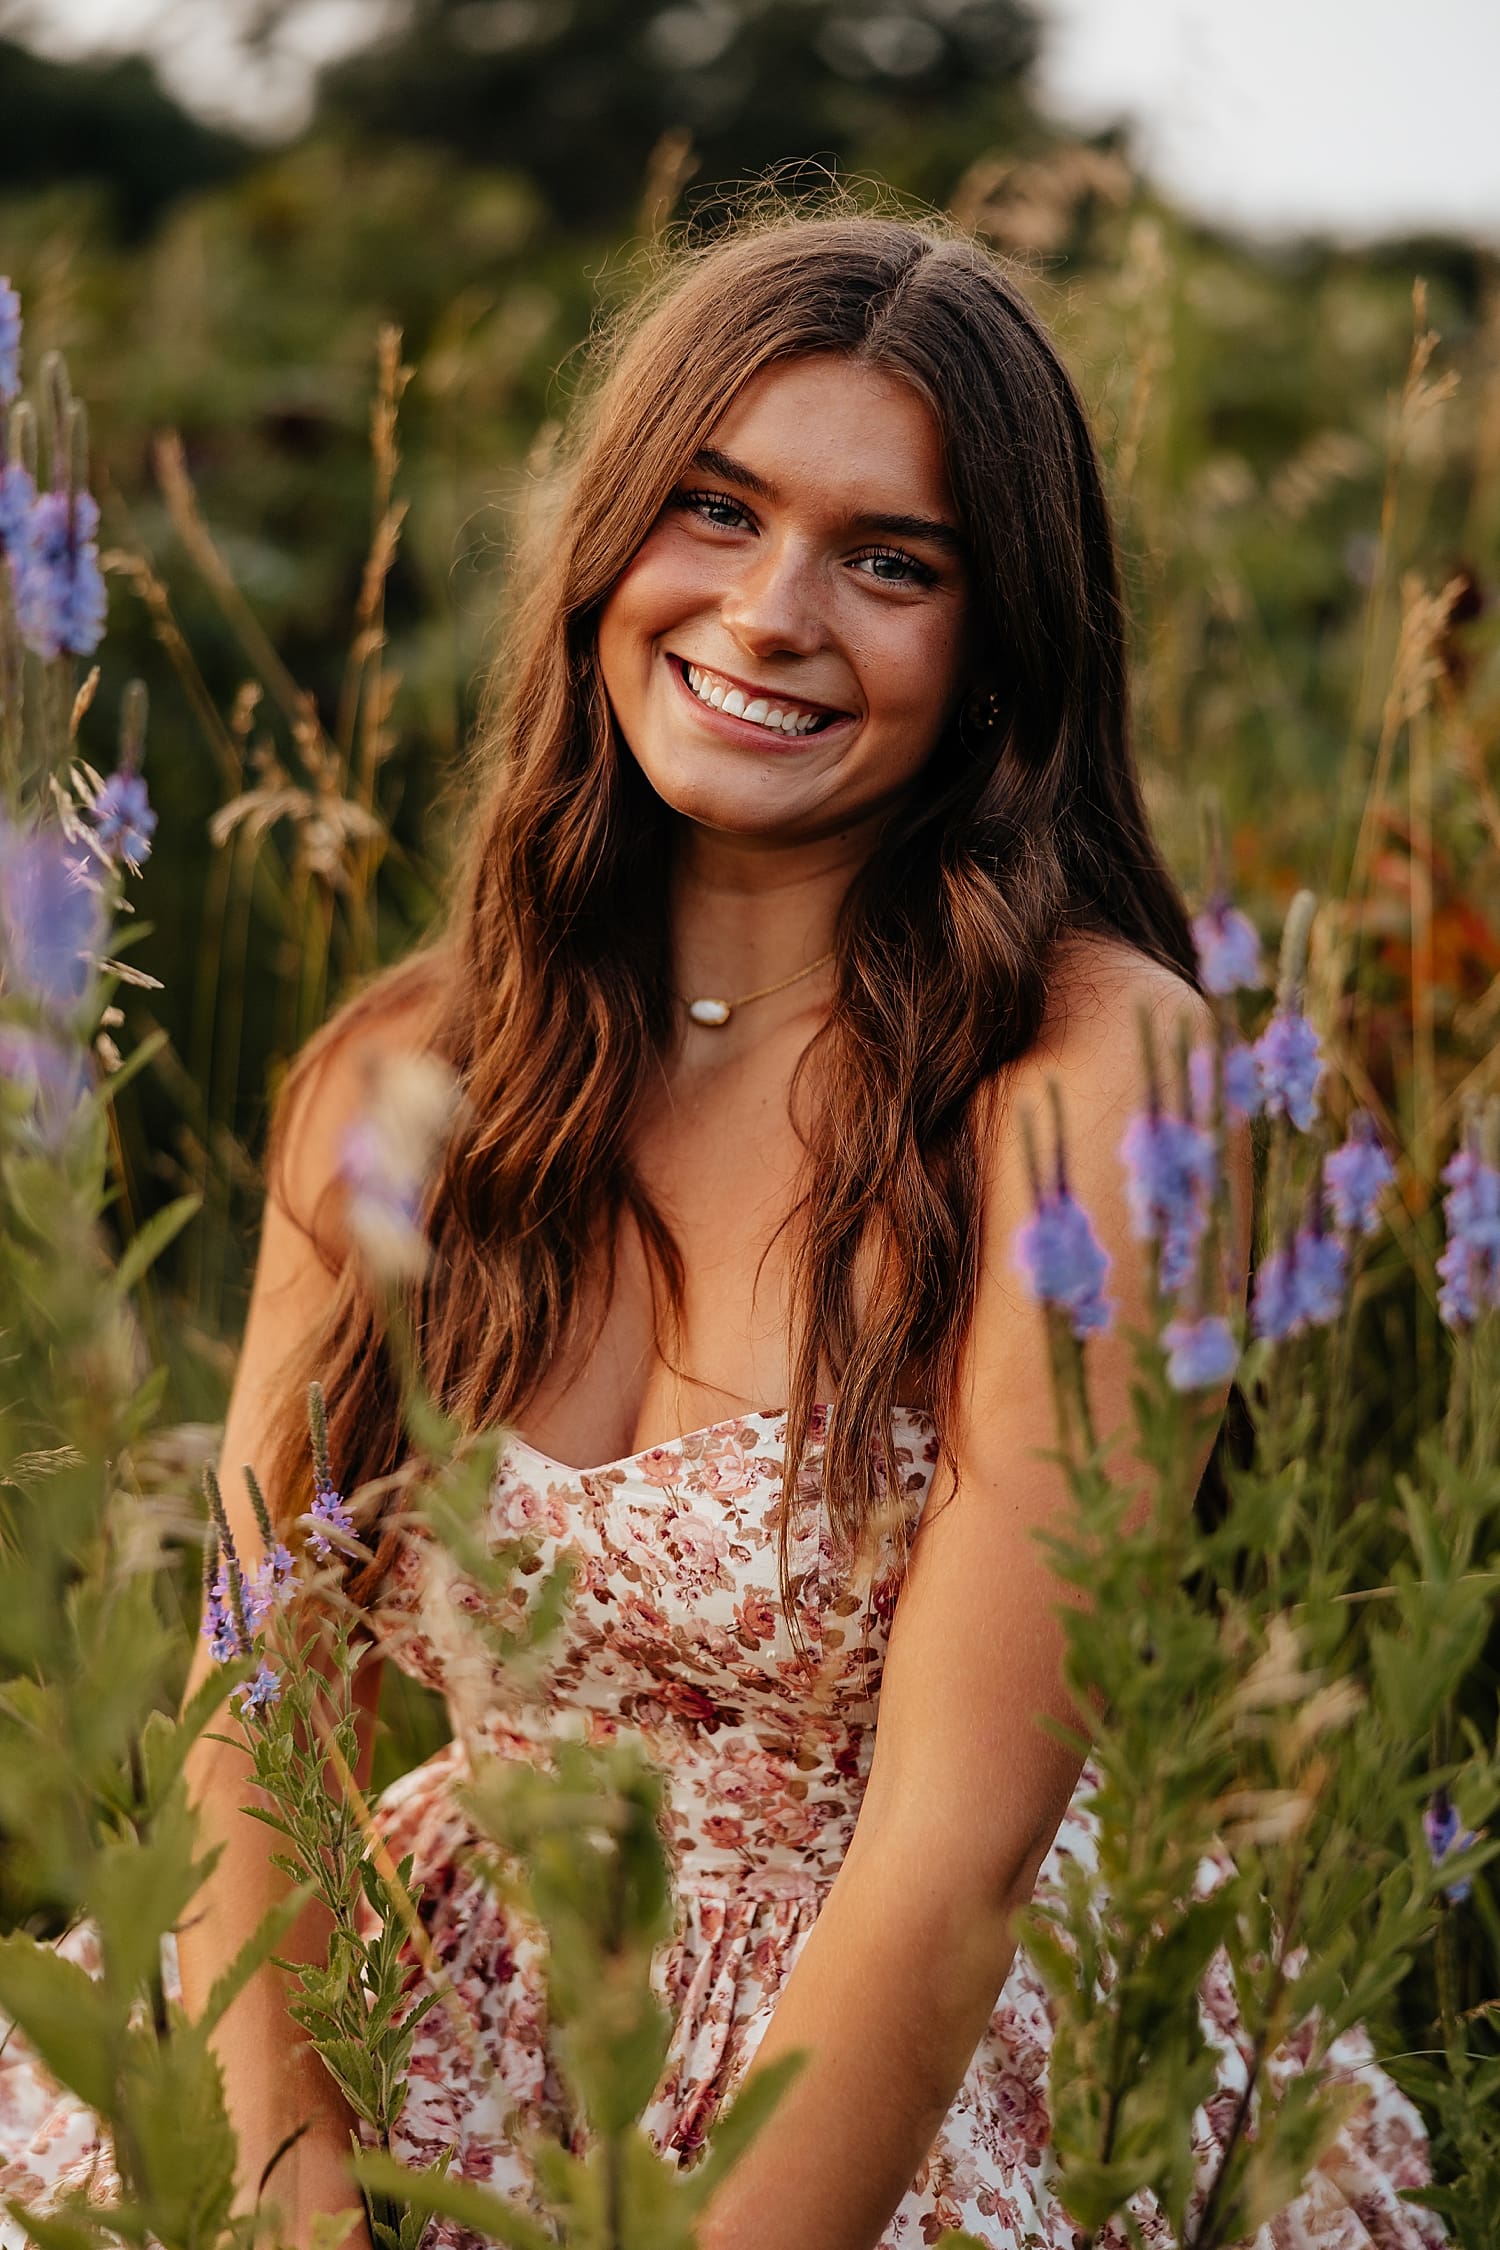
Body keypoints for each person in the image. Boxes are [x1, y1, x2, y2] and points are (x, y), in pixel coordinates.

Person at [0, 206, 1440, 2250]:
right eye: (714, 506)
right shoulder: (402, 1076)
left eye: (891, 562)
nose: (771, 612)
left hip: (886, 2072)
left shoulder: (1091, 1082)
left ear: (998, 642)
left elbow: (954, 1849)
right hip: (407, 2026)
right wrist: (292, 2197)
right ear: (609, 539)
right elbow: (262, 1710)